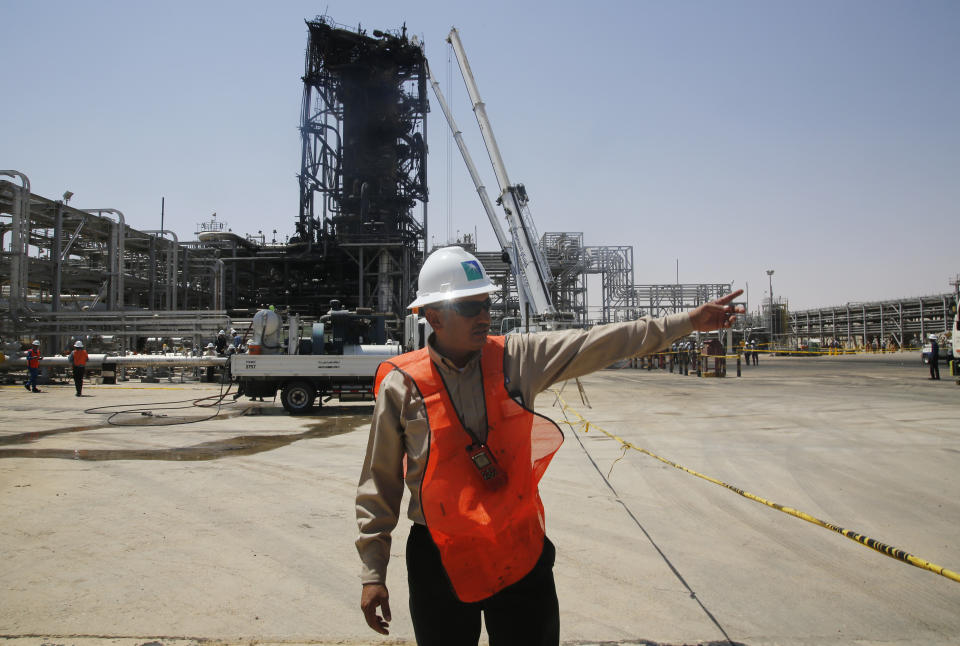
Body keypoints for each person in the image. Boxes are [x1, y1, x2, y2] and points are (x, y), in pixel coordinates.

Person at [355, 246, 743, 645]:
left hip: (517, 547)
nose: (485, 315)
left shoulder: (517, 358)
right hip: (441, 556)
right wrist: (373, 573)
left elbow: (602, 342)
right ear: (434, 316)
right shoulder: (401, 385)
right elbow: (379, 482)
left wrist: (689, 321)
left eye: (486, 303)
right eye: (471, 307)